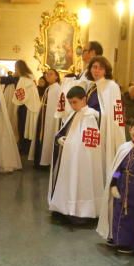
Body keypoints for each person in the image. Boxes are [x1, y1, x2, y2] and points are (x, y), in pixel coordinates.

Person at [48, 85, 104, 222]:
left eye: (75, 102)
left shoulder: (90, 115)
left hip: (82, 158)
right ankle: (66, 208)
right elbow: (69, 132)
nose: (72, 106)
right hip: (71, 156)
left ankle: (79, 211)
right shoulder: (76, 113)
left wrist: (68, 143)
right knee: (70, 181)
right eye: (70, 103)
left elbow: (88, 142)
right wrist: (61, 139)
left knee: (79, 183)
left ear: (84, 99)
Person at [97, 116, 134, 253]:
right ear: (129, 129)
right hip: (121, 186)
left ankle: (129, 243)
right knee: (117, 212)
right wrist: (113, 184)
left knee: (132, 215)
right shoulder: (124, 147)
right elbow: (117, 170)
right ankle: (116, 237)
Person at [81, 55, 126, 178]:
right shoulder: (91, 85)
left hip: (104, 128)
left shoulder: (111, 86)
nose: (96, 70)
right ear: (90, 69)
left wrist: (94, 113)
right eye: (94, 67)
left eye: (100, 68)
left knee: (101, 159)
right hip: (90, 127)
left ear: (106, 71)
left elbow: (115, 112)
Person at [29, 68, 63, 168]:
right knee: (41, 137)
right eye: (47, 74)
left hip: (50, 119)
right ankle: (39, 160)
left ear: (56, 76)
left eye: (51, 74)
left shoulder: (57, 89)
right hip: (43, 117)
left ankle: (45, 161)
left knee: (47, 137)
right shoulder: (49, 88)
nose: (48, 76)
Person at [11, 59, 40, 155]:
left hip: (25, 107)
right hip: (31, 105)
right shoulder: (31, 77)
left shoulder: (23, 79)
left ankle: (23, 148)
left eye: (16, 68)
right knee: (27, 127)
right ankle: (27, 147)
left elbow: (19, 93)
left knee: (22, 127)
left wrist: (16, 100)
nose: (15, 70)